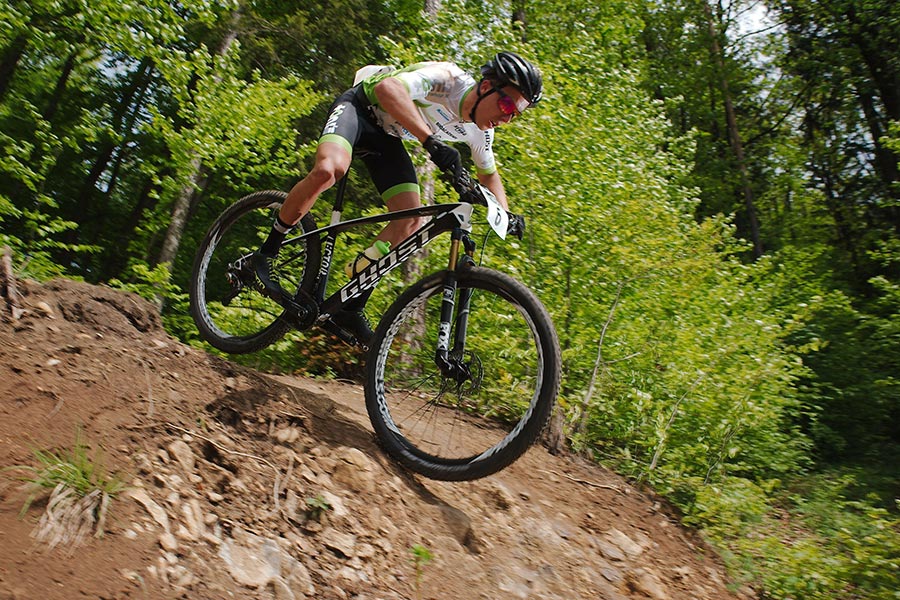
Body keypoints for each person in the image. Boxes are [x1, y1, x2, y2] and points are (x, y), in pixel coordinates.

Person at [252, 51, 543, 344]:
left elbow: (489, 176)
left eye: (516, 114)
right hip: (360, 108)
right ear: (485, 87)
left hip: (387, 139)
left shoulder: (481, 133)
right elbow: (386, 88)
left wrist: (504, 214)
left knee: (411, 220)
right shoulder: (448, 80)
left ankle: (352, 305)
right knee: (329, 170)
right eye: (507, 104)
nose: (507, 118)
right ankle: (265, 254)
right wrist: (430, 142)